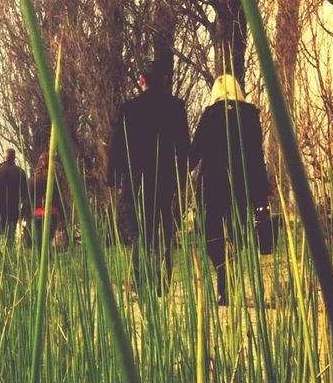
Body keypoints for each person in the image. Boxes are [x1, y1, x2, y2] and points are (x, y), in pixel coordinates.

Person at [108, 56, 190, 288]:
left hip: (134, 179)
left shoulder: (129, 109)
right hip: (163, 179)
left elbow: (117, 146)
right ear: (164, 80)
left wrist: (112, 177)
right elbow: (184, 148)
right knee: (160, 231)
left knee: (138, 235)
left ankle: (140, 280)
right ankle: (162, 281)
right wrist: (182, 181)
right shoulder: (176, 108)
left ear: (142, 80)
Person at [189, 74, 270, 306]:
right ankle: (228, 283)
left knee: (212, 237)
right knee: (236, 235)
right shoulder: (250, 116)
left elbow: (195, 154)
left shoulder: (210, 115)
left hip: (212, 186)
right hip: (241, 185)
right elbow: (256, 155)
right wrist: (261, 193)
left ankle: (224, 279)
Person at [0, 148, 30, 245]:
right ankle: (10, 257)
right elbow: (26, 195)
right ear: (14, 158)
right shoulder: (20, 173)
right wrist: (22, 212)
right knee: (10, 238)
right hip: (12, 210)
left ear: (4, 157)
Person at [31, 151, 65, 247]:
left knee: (39, 240)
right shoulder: (54, 177)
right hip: (52, 211)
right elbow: (60, 196)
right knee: (48, 240)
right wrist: (62, 215)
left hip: (38, 212)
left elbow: (30, 195)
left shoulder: (35, 178)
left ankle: (42, 259)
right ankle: (48, 259)